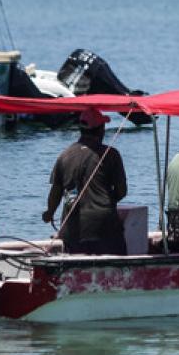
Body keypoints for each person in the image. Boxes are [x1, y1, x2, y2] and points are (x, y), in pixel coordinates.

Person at [43, 107, 128, 255]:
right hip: (105, 226)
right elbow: (122, 191)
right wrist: (107, 201)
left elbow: (55, 193)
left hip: (73, 228)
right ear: (100, 129)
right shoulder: (111, 154)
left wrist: (49, 213)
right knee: (115, 266)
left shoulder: (64, 155)